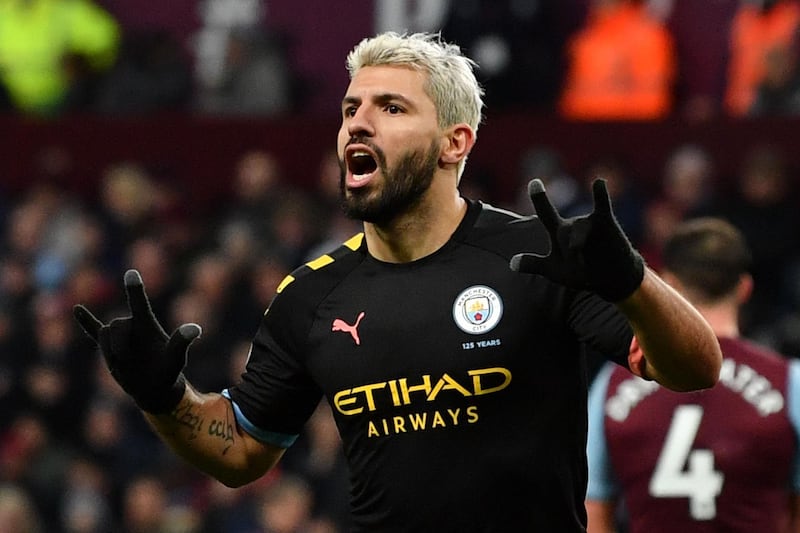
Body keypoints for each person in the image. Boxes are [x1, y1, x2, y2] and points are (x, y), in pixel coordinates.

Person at [72, 31, 721, 532]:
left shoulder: (539, 257)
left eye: (390, 107)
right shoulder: (310, 294)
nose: (358, 121)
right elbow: (241, 450)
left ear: (453, 143)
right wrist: (163, 394)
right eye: (351, 107)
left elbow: (696, 368)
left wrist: (633, 281)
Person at [585, 217, 800, 532]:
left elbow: (593, 510)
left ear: (669, 284)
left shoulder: (613, 382)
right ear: (744, 288)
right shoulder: (789, 381)